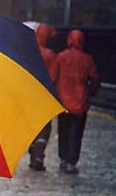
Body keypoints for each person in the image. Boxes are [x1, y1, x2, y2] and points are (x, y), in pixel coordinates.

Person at [54, 29, 100, 174]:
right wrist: (91, 92)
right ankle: (71, 162)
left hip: (63, 102)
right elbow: (94, 78)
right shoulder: (88, 59)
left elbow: (54, 77)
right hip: (80, 103)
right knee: (76, 133)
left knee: (63, 131)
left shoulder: (60, 57)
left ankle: (63, 158)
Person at [29, 24, 57, 171]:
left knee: (32, 127)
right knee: (44, 128)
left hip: (29, 96)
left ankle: (33, 151)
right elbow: (53, 78)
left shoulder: (28, 52)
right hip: (44, 97)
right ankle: (38, 156)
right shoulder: (51, 55)